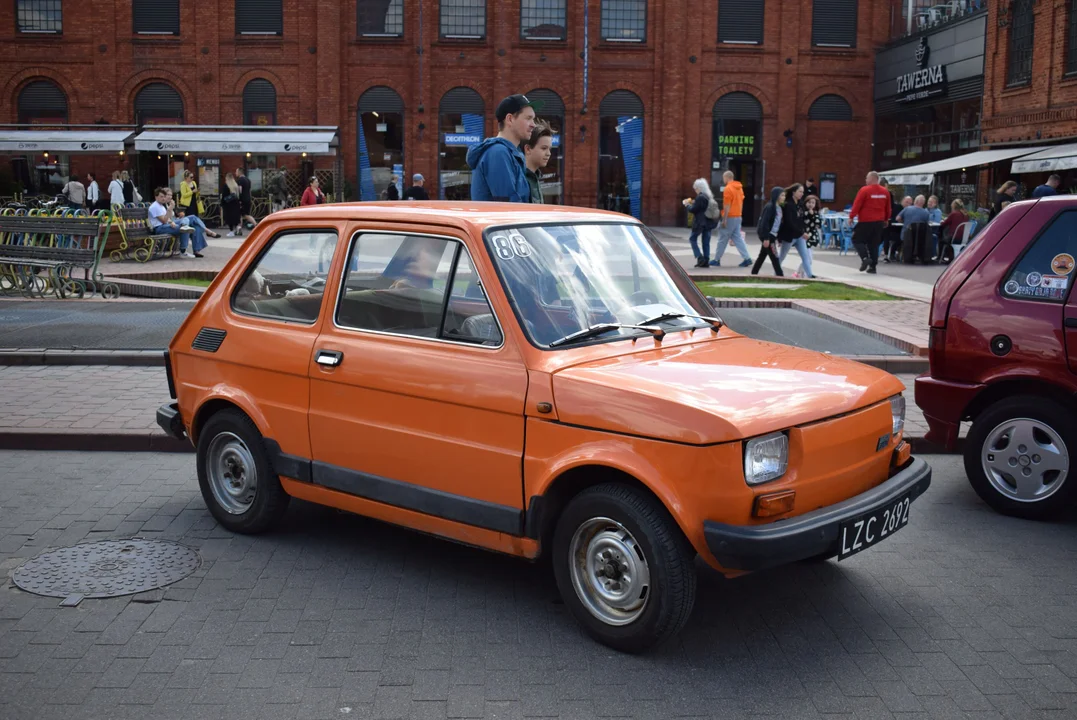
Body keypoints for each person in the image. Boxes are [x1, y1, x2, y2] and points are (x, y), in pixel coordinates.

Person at [466, 93, 538, 202]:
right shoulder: (498, 153)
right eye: (528, 118)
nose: (533, 125)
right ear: (510, 119)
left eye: (533, 119)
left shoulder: (510, 153)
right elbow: (508, 207)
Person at [849, 171, 892, 274]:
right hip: (879, 222)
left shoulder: (864, 190)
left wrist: (851, 216)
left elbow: (857, 204)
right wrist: (886, 219)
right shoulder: (885, 192)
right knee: (874, 244)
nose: (865, 180)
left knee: (857, 239)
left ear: (872, 179)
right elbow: (888, 208)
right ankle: (873, 267)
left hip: (866, 221)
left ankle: (865, 258)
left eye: (866, 178)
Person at [148, 187, 206, 259]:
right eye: (161, 197)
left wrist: (171, 221)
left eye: (164, 196)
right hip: (160, 228)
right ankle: (183, 250)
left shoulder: (161, 205)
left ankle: (196, 242)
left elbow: (168, 218)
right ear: (156, 197)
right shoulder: (154, 207)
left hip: (166, 224)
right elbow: (164, 220)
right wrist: (170, 209)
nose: (163, 198)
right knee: (185, 228)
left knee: (192, 218)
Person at [712, 171, 753, 268]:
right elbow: (741, 202)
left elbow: (727, 205)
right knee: (737, 238)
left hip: (729, 216)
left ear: (727, 177)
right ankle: (747, 258)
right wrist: (740, 215)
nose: (723, 180)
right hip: (738, 215)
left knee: (722, 238)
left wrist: (724, 219)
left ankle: (717, 259)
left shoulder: (728, 189)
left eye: (723, 178)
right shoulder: (739, 188)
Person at [777, 183, 814, 279]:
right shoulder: (788, 204)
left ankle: (810, 275)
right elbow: (789, 222)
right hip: (789, 235)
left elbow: (801, 220)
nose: (802, 194)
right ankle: (776, 273)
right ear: (794, 192)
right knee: (782, 256)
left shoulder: (800, 204)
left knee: (805, 256)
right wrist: (802, 233)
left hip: (800, 236)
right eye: (800, 191)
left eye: (803, 192)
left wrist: (803, 231)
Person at [682, 178, 719, 268]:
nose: (695, 191)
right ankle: (706, 260)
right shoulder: (708, 196)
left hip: (700, 222)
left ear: (699, 188)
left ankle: (699, 257)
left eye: (695, 189)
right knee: (706, 241)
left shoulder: (700, 197)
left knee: (692, 239)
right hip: (708, 222)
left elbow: (693, 210)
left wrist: (687, 204)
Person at [751, 187, 785, 277]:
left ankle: (753, 273)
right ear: (776, 196)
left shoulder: (779, 208)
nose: (784, 197)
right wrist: (766, 238)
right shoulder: (770, 207)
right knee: (774, 256)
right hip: (768, 235)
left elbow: (778, 224)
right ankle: (780, 276)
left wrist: (779, 238)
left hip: (773, 235)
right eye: (782, 195)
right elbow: (764, 223)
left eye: (784, 195)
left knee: (762, 255)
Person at [522, 120, 553, 204]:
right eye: (544, 148)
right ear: (528, 149)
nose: (548, 153)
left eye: (549, 149)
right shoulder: (520, 179)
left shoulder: (535, 177)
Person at [897, 195, 930, 262]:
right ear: (923, 203)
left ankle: (902, 255)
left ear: (915, 201)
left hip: (906, 235)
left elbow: (898, 218)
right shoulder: (926, 213)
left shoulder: (907, 209)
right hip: (920, 237)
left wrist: (904, 221)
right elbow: (926, 224)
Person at [801, 194, 822, 277]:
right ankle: (805, 274)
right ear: (805, 203)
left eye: (813, 203)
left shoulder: (816, 213)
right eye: (809, 202)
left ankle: (800, 273)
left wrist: (813, 214)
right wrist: (809, 214)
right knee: (808, 258)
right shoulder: (803, 212)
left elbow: (818, 224)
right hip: (804, 237)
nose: (811, 204)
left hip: (812, 237)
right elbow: (804, 222)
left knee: (808, 258)